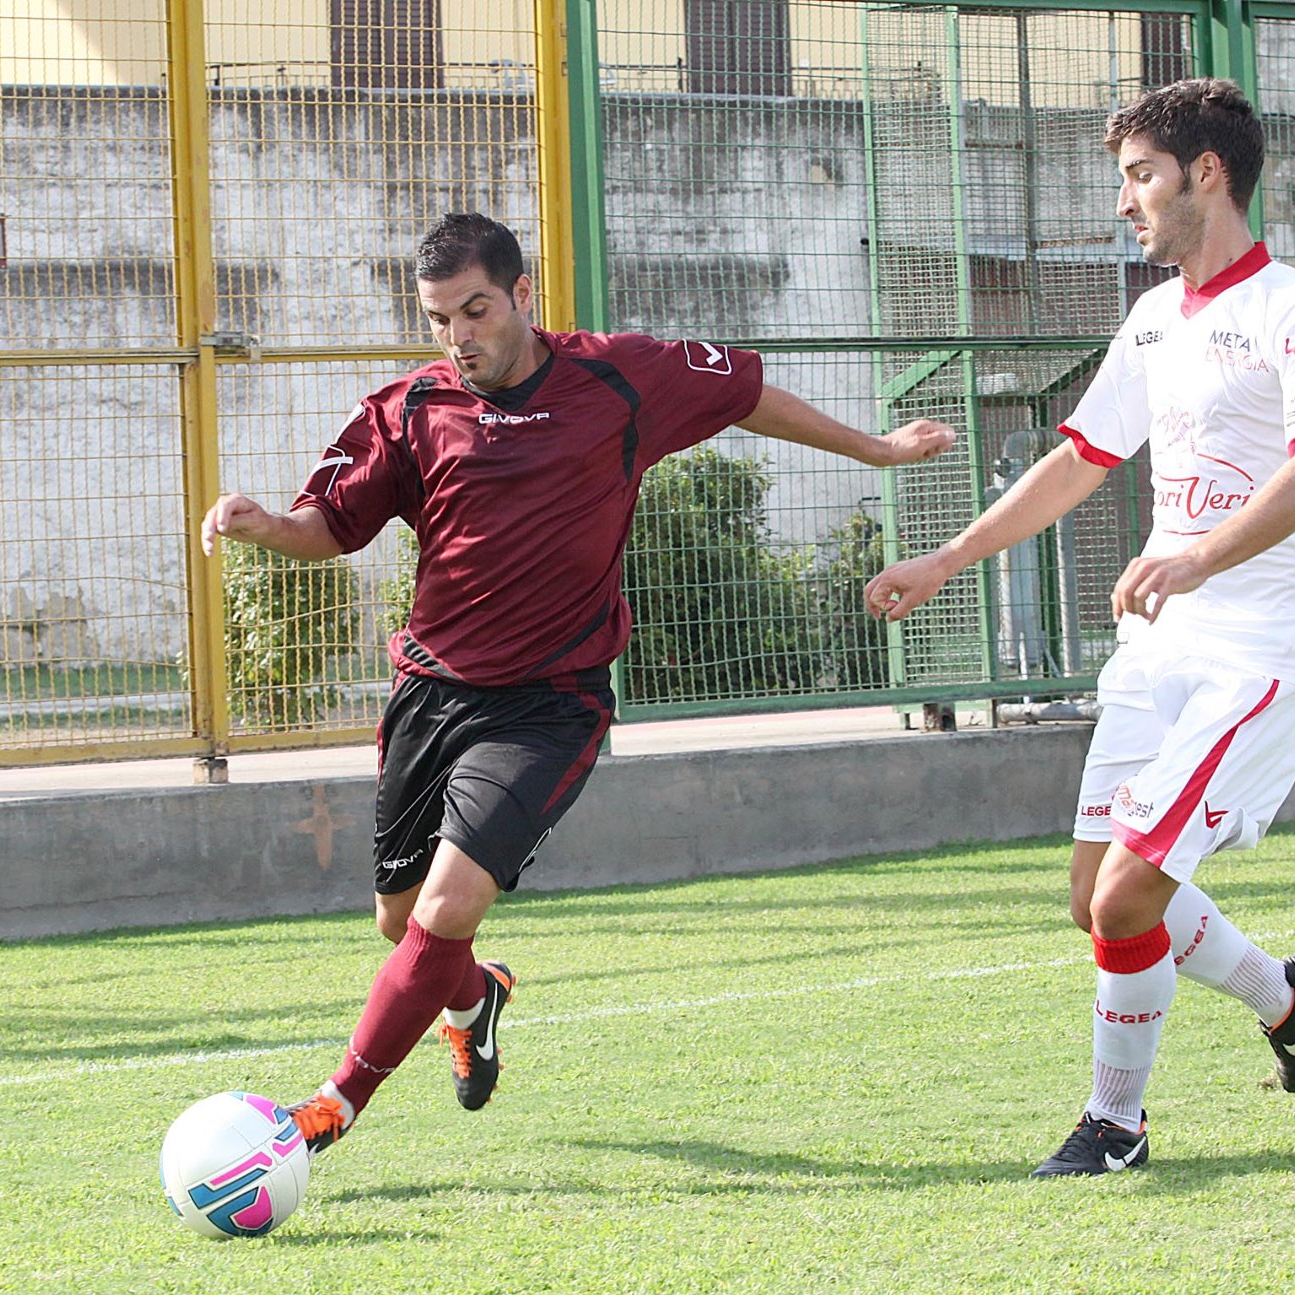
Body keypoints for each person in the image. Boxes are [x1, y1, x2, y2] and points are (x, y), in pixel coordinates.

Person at [200, 212, 955, 1154]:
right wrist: (268, 524)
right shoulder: (407, 409)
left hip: (551, 702)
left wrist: (878, 450)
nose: (459, 335)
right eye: (439, 319)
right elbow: (331, 525)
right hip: (434, 692)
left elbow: (747, 392)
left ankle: (330, 1106)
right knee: (401, 923)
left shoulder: (617, 375)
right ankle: (476, 998)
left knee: (444, 909)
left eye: (475, 310)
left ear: (523, 294)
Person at [864, 79, 1295, 1177]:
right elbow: (1080, 461)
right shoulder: (1150, 319)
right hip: (1161, 647)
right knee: (1093, 898)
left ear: (1206, 173)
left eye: (1140, 175)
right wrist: (946, 557)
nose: (1125, 202)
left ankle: (1114, 1125)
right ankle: (1286, 993)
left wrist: (1192, 553)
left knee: (1130, 892)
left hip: (1261, 651)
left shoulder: (1294, 309)